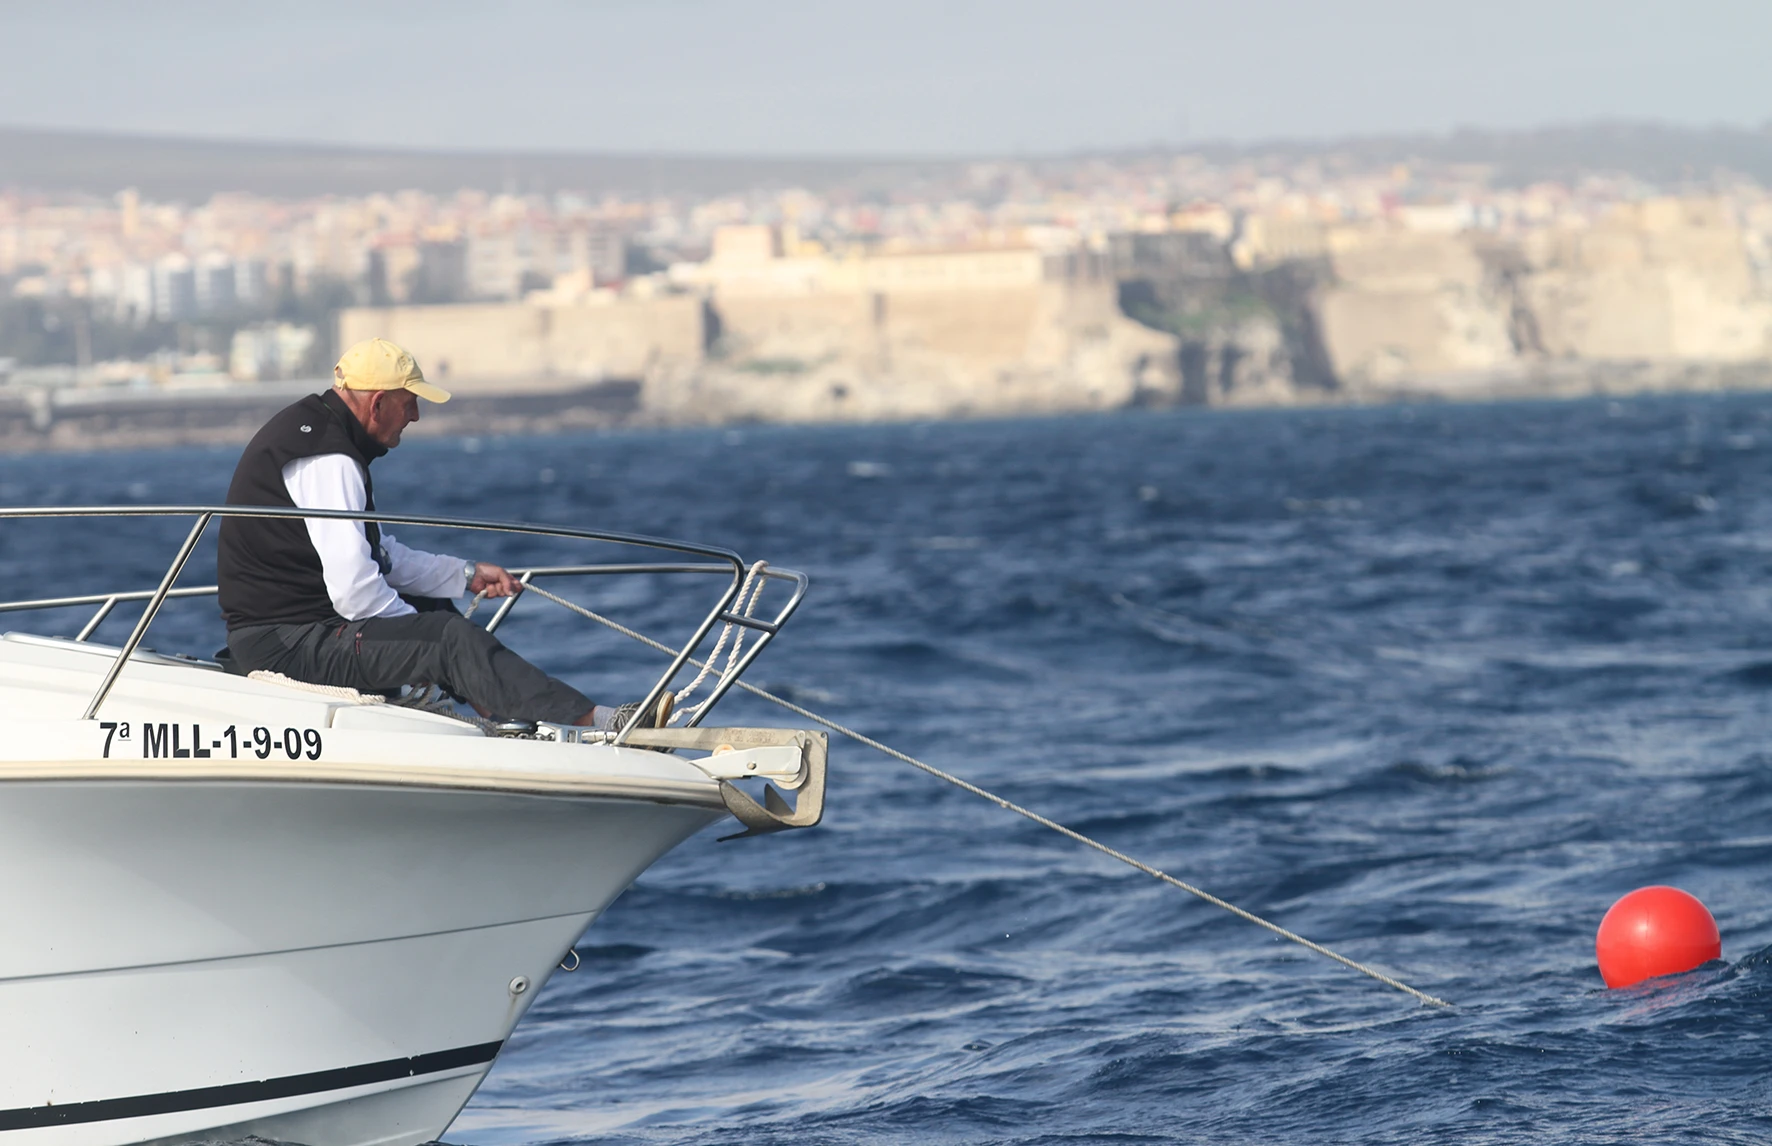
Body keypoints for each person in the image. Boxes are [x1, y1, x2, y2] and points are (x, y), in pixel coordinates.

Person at [217, 337, 670, 730]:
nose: (415, 416)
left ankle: (503, 716)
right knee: (446, 638)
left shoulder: (320, 434)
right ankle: (598, 722)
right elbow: (354, 590)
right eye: (409, 403)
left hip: (292, 632)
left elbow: (379, 556)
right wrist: (424, 648)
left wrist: (463, 575)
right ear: (378, 403)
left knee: (432, 611)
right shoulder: (329, 458)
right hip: (286, 645)